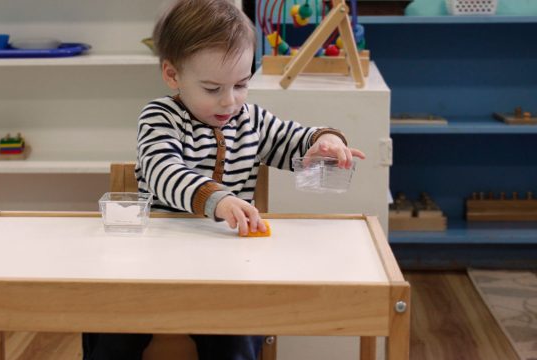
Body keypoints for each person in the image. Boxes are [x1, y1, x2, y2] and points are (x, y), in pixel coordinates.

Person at [83, 0, 365, 359]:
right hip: (153, 265)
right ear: (173, 75)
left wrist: (325, 142)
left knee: (235, 340)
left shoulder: (252, 120)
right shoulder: (161, 116)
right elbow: (161, 170)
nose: (230, 102)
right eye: (213, 88)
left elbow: (294, 139)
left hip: (225, 269)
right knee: (109, 332)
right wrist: (219, 200)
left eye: (241, 85)